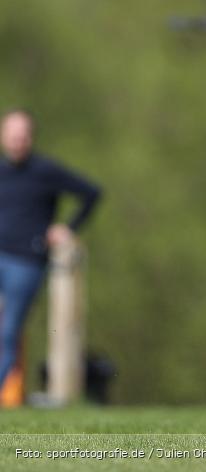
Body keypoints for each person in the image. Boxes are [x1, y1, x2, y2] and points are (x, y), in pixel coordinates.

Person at [0, 109, 101, 395]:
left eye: (22, 136)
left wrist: (68, 228)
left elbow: (92, 193)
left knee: (7, 334)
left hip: (26, 263)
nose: (17, 141)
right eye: (12, 135)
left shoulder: (46, 171)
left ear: (30, 138)